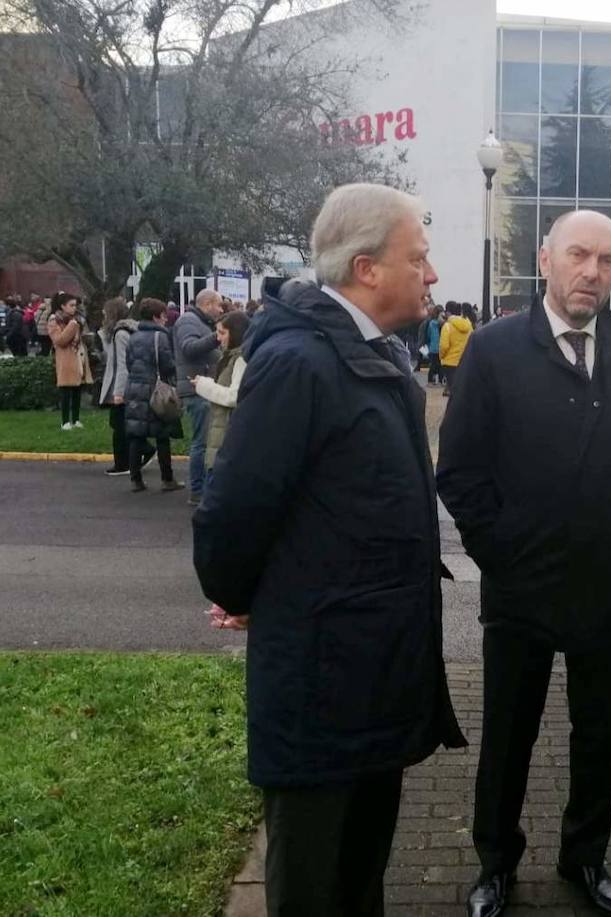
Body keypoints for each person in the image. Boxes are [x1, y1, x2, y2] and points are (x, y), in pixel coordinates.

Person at [194, 183, 465, 914]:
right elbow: (231, 515)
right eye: (420, 257)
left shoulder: (365, 350)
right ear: (368, 268)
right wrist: (250, 595)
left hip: (368, 673)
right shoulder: (301, 362)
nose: (432, 274)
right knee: (316, 883)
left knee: (359, 876)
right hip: (322, 683)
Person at [437, 209, 611, 917]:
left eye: (606, 260)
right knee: (508, 736)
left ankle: (585, 855)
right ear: (545, 260)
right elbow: (460, 470)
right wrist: (501, 552)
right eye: (579, 255)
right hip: (521, 591)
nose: (592, 272)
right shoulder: (493, 349)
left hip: (610, 588)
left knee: (599, 736)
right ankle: (495, 861)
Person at [123, 299, 183, 493]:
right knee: (162, 434)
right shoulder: (161, 337)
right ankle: (167, 478)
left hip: (134, 387)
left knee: (136, 434)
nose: (166, 319)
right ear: (156, 317)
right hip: (155, 388)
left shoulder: (133, 336)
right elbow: (167, 365)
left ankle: (135, 479)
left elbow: (129, 363)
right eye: (164, 315)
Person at [175, 289, 224, 505]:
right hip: (196, 389)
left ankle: (204, 487)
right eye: (219, 305)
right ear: (207, 303)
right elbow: (189, 349)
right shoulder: (188, 321)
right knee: (202, 442)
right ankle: (197, 490)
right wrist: (216, 337)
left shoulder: (198, 321)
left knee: (206, 440)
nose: (221, 310)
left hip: (204, 387)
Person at [191, 311, 250, 482]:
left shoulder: (241, 359)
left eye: (222, 333)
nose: (218, 338)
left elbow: (234, 396)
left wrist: (204, 386)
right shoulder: (231, 356)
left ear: (236, 333)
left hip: (228, 434)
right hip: (222, 430)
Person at [98, 298, 149, 476]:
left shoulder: (120, 334)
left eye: (105, 313)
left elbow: (122, 365)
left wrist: (118, 393)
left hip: (123, 386)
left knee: (119, 424)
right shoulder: (128, 330)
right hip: (132, 383)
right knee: (124, 423)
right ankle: (141, 452)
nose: (103, 316)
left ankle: (124, 462)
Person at [47, 295, 92, 430]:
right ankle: (65, 421)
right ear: (62, 306)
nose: (74, 308)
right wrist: (72, 327)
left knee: (77, 389)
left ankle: (76, 419)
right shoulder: (54, 320)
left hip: (79, 356)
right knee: (66, 390)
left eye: (75, 305)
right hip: (65, 358)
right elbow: (59, 340)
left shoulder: (77, 319)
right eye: (71, 305)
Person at [438, 301, 473, 397]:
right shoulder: (468, 325)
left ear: (448, 312)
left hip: (449, 362)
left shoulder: (447, 326)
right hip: (464, 361)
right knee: (460, 388)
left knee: (453, 389)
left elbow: (444, 346)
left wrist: (441, 356)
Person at [422, 305, 444, 385]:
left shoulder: (431, 323)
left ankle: (431, 380)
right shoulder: (443, 324)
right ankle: (441, 380)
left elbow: (428, 335)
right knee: (441, 365)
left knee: (433, 365)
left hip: (432, 347)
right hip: (440, 347)